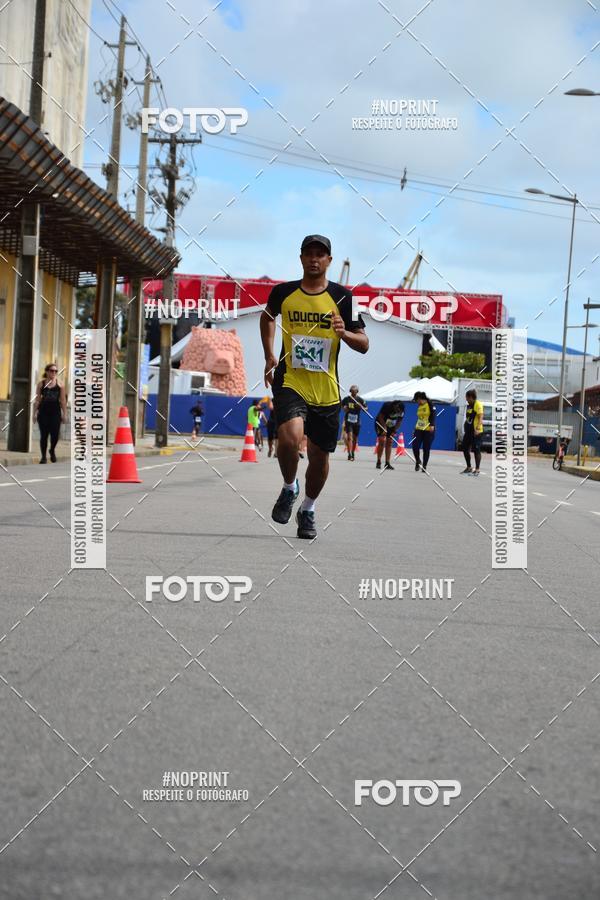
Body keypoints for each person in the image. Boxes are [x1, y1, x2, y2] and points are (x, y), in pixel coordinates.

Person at [260, 234, 368, 539]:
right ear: (301, 258)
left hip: (327, 390)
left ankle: (307, 508)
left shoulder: (346, 299)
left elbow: (364, 344)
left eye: (320, 254)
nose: (314, 259)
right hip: (291, 379)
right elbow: (267, 318)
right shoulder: (283, 292)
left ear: (329, 260)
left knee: (320, 458)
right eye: (309, 253)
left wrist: (344, 332)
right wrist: (269, 354)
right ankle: (289, 487)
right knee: (289, 436)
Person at [34, 363, 67, 464]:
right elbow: (37, 400)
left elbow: (62, 400)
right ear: (47, 371)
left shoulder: (60, 384)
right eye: (52, 371)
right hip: (43, 412)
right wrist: (35, 413)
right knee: (44, 435)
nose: (54, 373)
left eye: (55, 371)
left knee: (55, 435)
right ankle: (43, 457)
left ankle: (52, 450)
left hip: (55, 412)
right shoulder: (41, 384)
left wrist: (64, 414)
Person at [374, 399, 405, 470]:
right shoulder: (387, 405)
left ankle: (387, 463)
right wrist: (384, 428)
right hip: (381, 423)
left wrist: (394, 430)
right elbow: (380, 417)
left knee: (390, 441)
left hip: (391, 425)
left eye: (399, 412)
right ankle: (378, 461)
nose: (397, 412)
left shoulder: (402, 411)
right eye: (397, 411)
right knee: (382, 440)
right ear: (395, 406)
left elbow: (399, 421)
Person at [412, 390, 436, 473]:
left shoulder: (430, 404)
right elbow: (419, 418)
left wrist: (432, 424)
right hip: (419, 428)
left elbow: (433, 414)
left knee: (426, 448)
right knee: (415, 446)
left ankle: (424, 465)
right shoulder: (419, 406)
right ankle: (418, 461)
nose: (416, 402)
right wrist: (414, 429)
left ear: (420, 399)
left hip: (428, 429)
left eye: (416, 400)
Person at [342, 385, 367, 460]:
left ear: (357, 391)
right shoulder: (346, 399)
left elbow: (366, 409)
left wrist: (361, 407)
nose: (353, 393)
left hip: (357, 421)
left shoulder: (360, 399)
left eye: (355, 391)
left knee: (355, 438)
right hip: (348, 420)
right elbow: (342, 405)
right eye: (352, 391)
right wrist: (344, 408)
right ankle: (349, 453)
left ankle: (353, 452)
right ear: (350, 391)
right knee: (350, 437)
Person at [461, 389, 484, 476]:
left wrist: (477, 428)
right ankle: (469, 467)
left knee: (476, 449)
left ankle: (477, 469)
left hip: (476, 432)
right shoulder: (469, 406)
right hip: (468, 432)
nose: (466, 399)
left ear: (470, 397)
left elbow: (480, 416)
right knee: (465, 448)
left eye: (467, 397)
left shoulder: (477, 404)